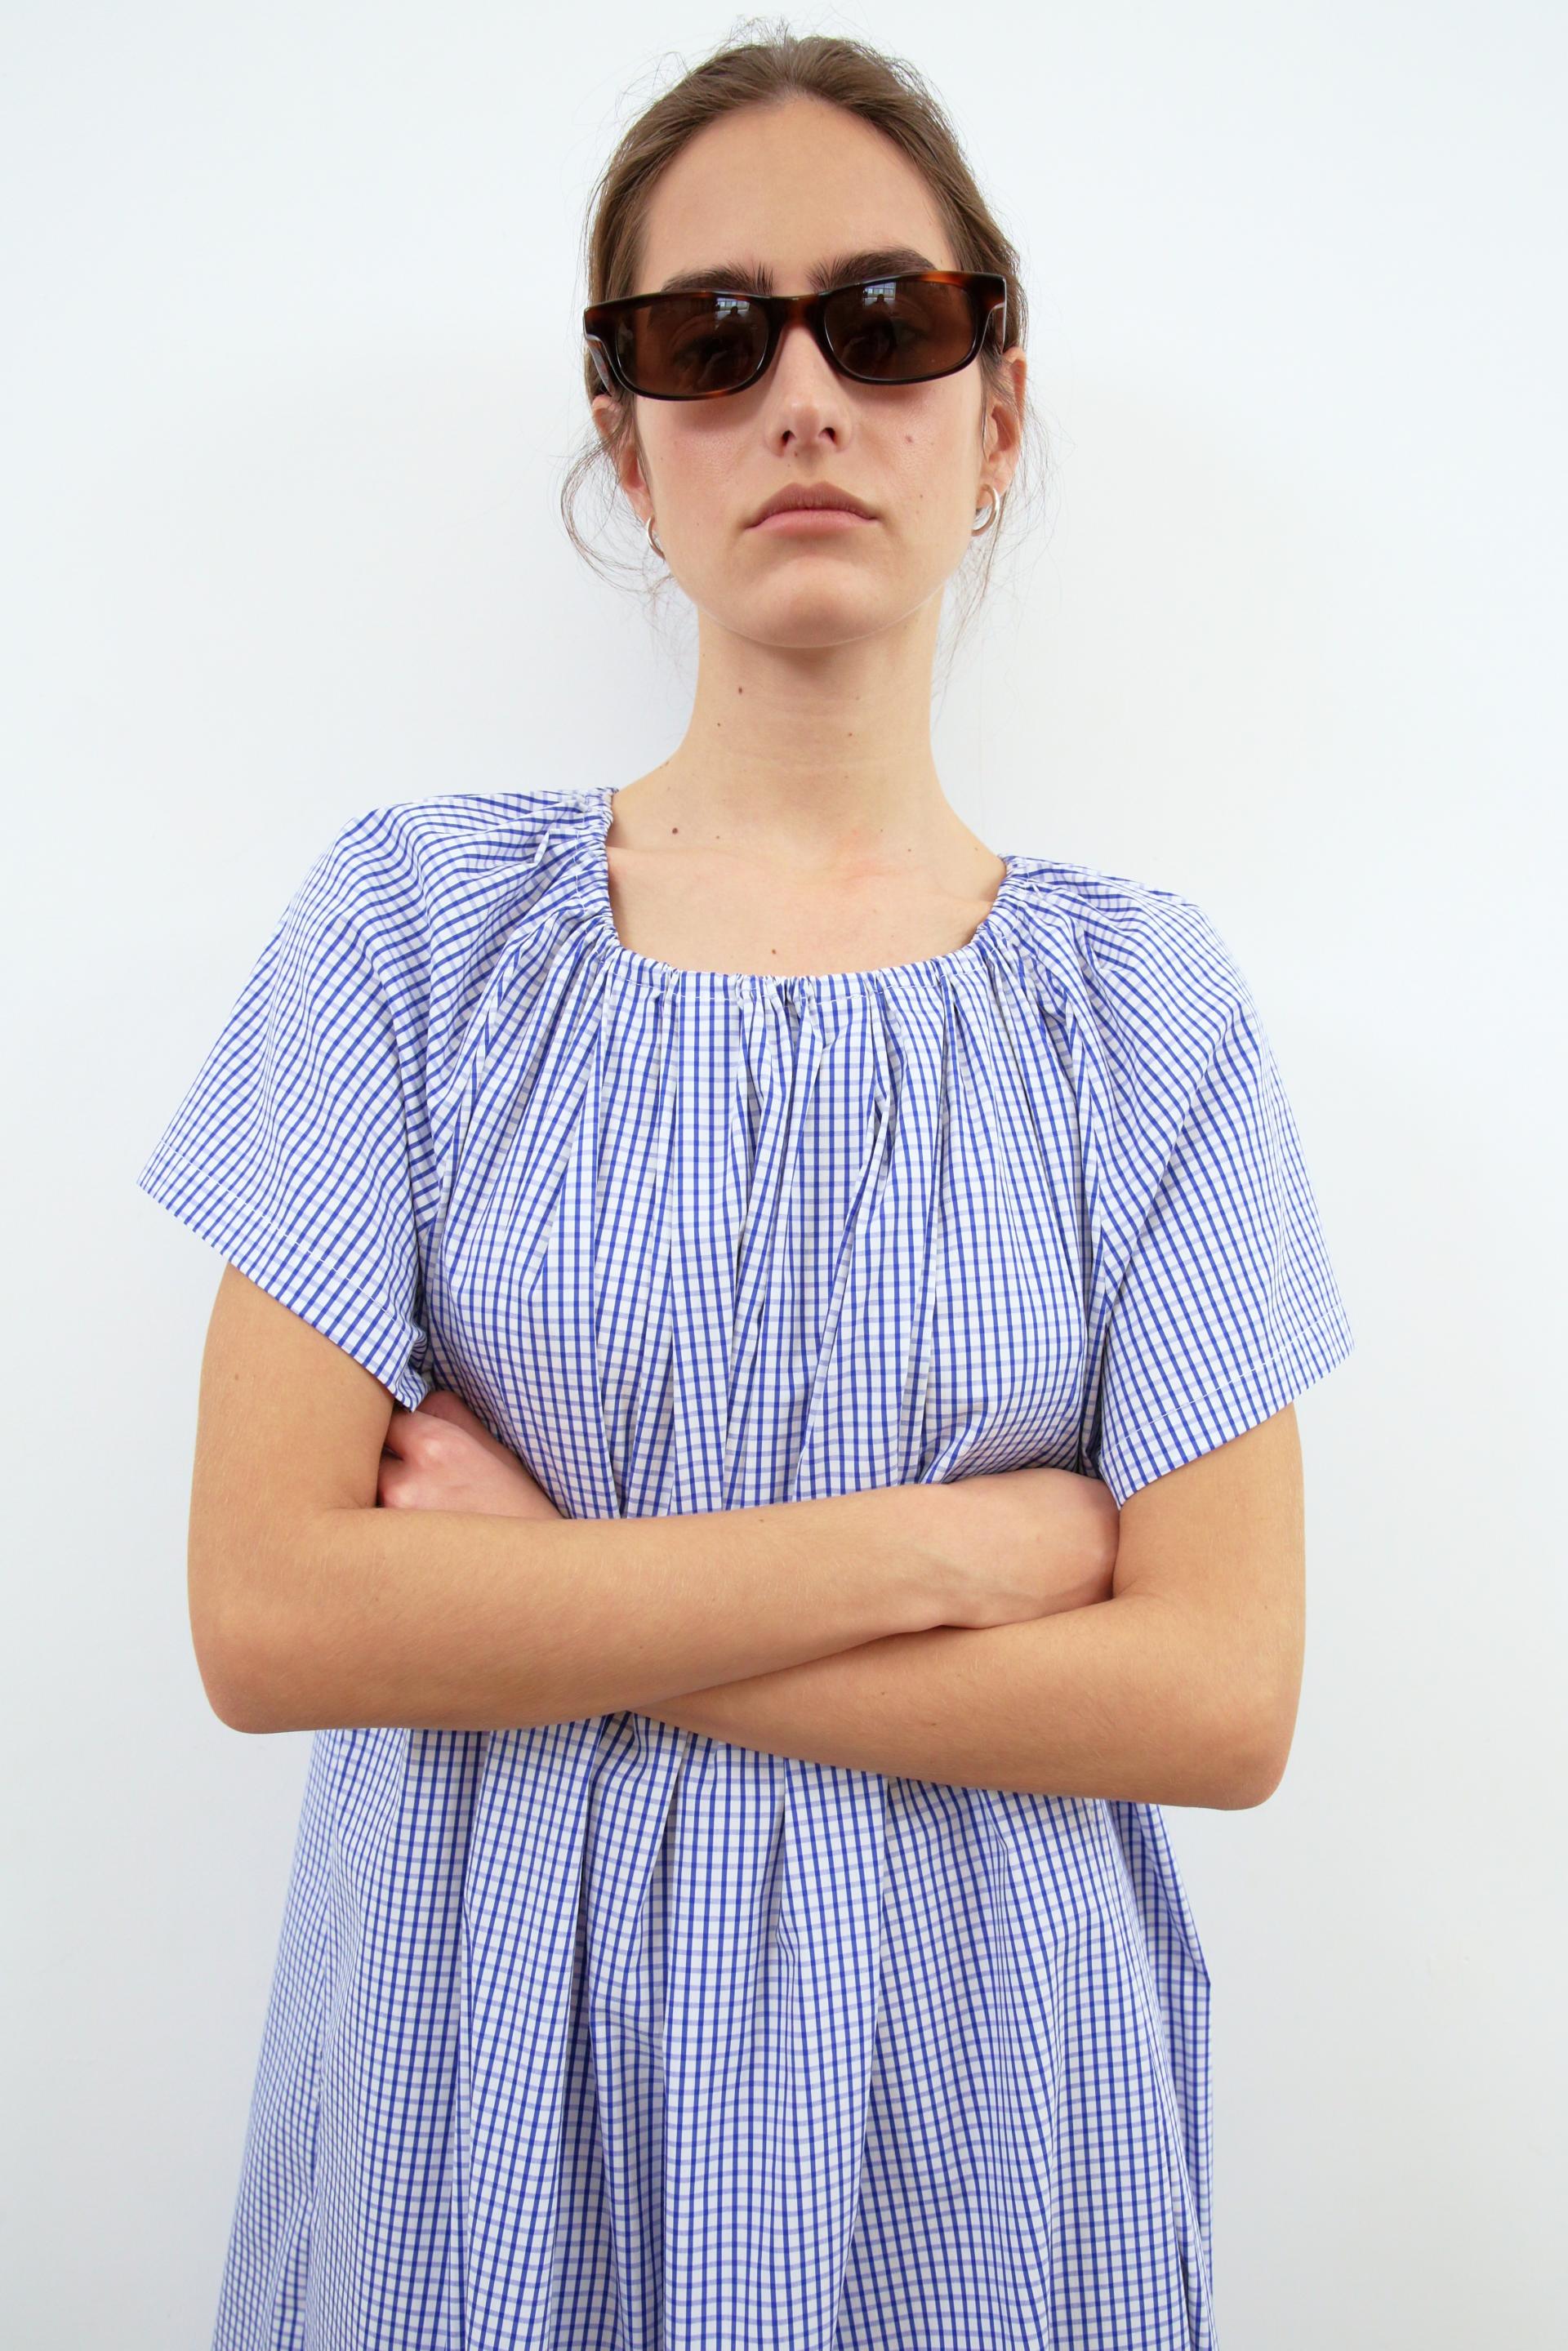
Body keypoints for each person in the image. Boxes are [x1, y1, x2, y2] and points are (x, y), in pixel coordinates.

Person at [136, 29, 1355, 2351]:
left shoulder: (1143, 1011)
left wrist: (540, 1598)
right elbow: (270, 1617)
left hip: (981, 2146)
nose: (802, 397)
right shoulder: (413, 937)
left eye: (885, 323)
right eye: (709, 338)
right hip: (472, 2123)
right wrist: (956, 1557)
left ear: (998, 412)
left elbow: (1220, 1694)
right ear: (626, 437)